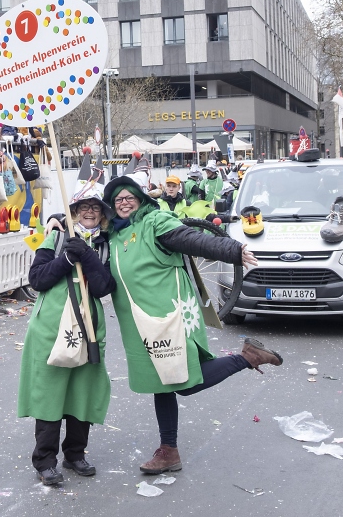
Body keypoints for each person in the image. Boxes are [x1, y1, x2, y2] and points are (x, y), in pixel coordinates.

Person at [102, 157, 282, 475]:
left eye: (129, 197)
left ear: (141, 199)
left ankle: (247, 357)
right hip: (138, 325)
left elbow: (191, 239)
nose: (124, 202)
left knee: (182, 382)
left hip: (168, 318)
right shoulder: (113, 237)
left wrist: (231, 250)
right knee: (160, 384)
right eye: (117, 200)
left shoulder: (155, 221)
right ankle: (169, 451)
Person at [18, 153, 116, 486]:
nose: (90, 212)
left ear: (102, 215)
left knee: (81, 392)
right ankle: (45, 461)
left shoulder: (105, 245)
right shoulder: (57, 237)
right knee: (50, 391)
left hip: (88, 328)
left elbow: (104, 287)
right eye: (83, 207)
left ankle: (75, 454)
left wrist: (87, 257)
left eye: (96, 208)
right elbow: (37, 279)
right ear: (74, 211)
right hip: (50, 327)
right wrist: (65, 259)